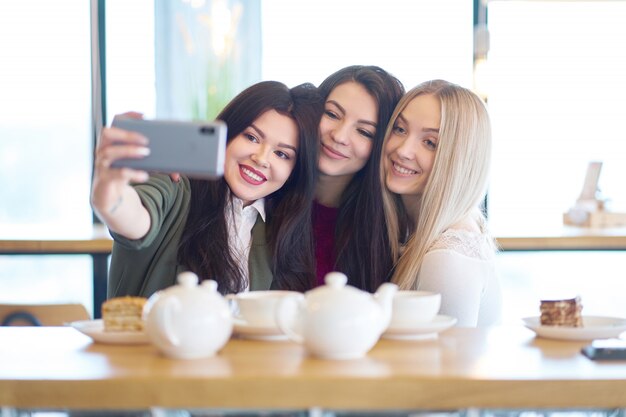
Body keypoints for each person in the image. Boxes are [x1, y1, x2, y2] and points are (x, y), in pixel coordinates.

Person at [91, 81, 321, 297]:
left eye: (282, 154)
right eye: (251, 137)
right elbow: (133, 216)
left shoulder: (280, 229)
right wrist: (109, 191)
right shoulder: (175, 182)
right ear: (227, 134)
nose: (261, 159)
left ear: (295, 170)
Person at [380, 79, 502, 327]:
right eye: (400, 129)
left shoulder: (448, 256)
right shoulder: (437, 233)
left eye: (430, 143)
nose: (403, 150)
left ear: (458, 159)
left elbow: (446, 365)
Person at [272, 66, 404, 292]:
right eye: (332, 114)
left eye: (364, 132)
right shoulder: (266, 193)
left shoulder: (387, 231)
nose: (339, 136)